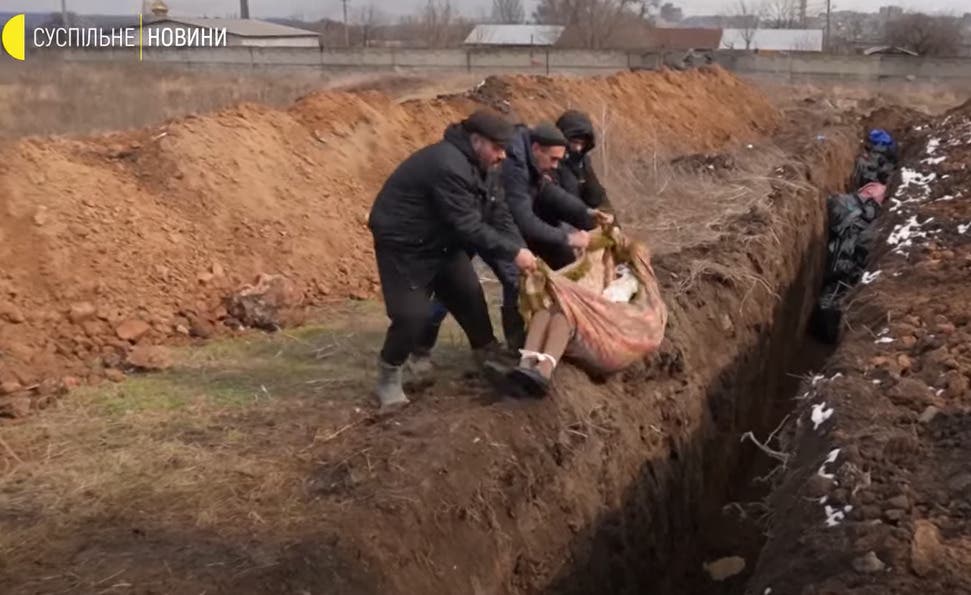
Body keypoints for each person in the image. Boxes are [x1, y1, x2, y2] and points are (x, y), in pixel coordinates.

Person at [367, 109, 537, 410]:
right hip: (405, 247)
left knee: (470, 298)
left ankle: (488, 357)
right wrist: (513, 253)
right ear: (476, 141)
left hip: (442, 243)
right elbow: (468, 225)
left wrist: (522, 251)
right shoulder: (448, 164)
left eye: (505, 149)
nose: (502, 156)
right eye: (497, 148)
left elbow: (499, 214)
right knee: (412, 317)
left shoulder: (486, 167)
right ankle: (389, 374)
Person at [555, 110, 616, 218]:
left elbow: (598, 196)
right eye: (574, 142)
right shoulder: (551, 163)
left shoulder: (582, 163)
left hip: (582, 222)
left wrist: (610, 218)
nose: (578, 148)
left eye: (582, 144)